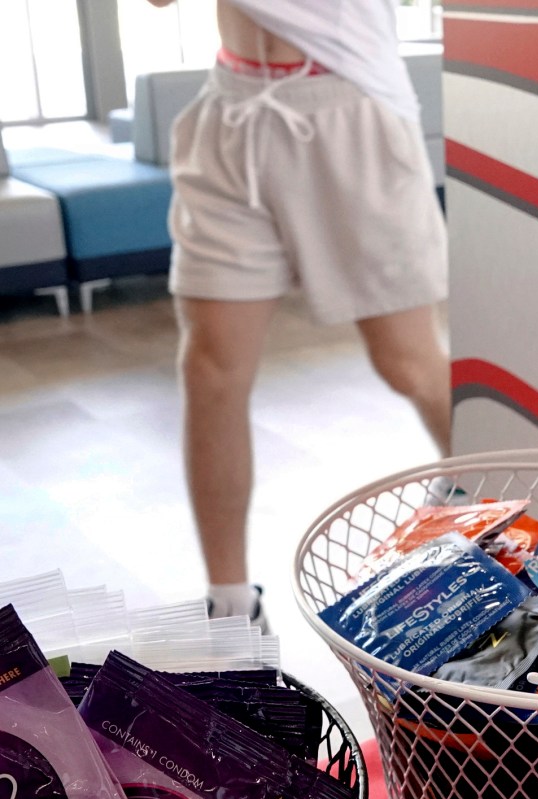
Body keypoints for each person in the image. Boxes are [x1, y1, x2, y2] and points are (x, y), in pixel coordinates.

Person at [148, 0, 451, 629]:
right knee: (210, 371)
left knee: (408, 363)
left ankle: (506, 515)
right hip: (233, 110)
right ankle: (230, 609)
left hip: (348, 108)